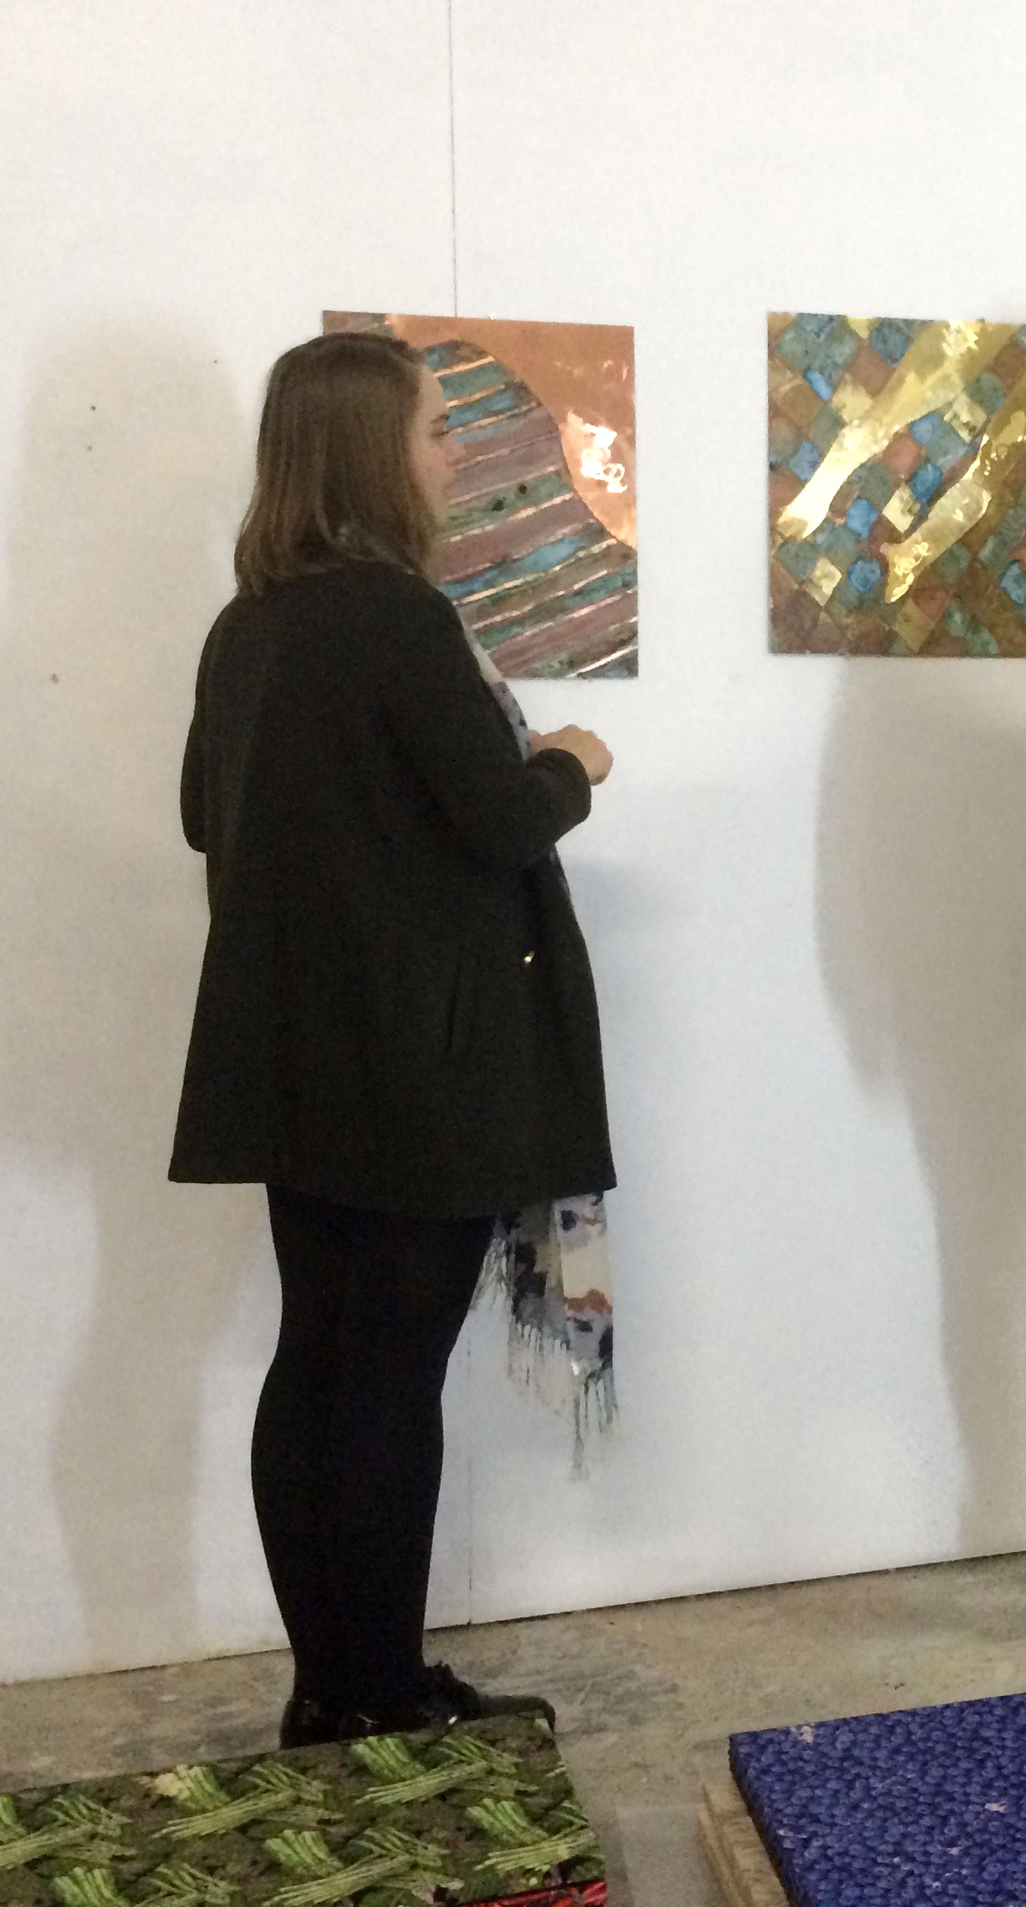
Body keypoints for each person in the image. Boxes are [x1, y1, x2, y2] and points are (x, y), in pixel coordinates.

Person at [170, 331, 618, 1745]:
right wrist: (572, 763)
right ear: (373, 452)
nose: (452, 450)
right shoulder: (397, 617)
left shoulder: (249, 626)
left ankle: (335, 1686)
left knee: (320, 1364)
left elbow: (203, 814)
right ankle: (377, 1692)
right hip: (420, 1064)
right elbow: (495, 818)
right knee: (384, 1387)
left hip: (299, 1061)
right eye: (433, 429)